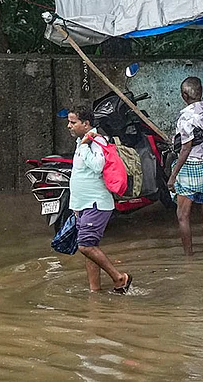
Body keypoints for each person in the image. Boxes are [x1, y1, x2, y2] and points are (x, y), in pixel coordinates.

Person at [67, 106, 132, 294]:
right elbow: (80, 175)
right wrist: (75, 206)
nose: (69, 126)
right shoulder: (82, 141)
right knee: (90, 248)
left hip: (96, 203)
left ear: (86, 124)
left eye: (73, 122)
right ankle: (94, 291)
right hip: (84, 205)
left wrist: (86, 145)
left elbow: (97, 166)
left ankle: (120, 278)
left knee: (85, 246)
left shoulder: (96, 140)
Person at [167, 76, 203, 256]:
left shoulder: (185, 117)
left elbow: (185, 149)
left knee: (183, 215)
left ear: (184, 95)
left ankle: (188, 257)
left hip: (189, 169)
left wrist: (173, 176)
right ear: (201, 92)